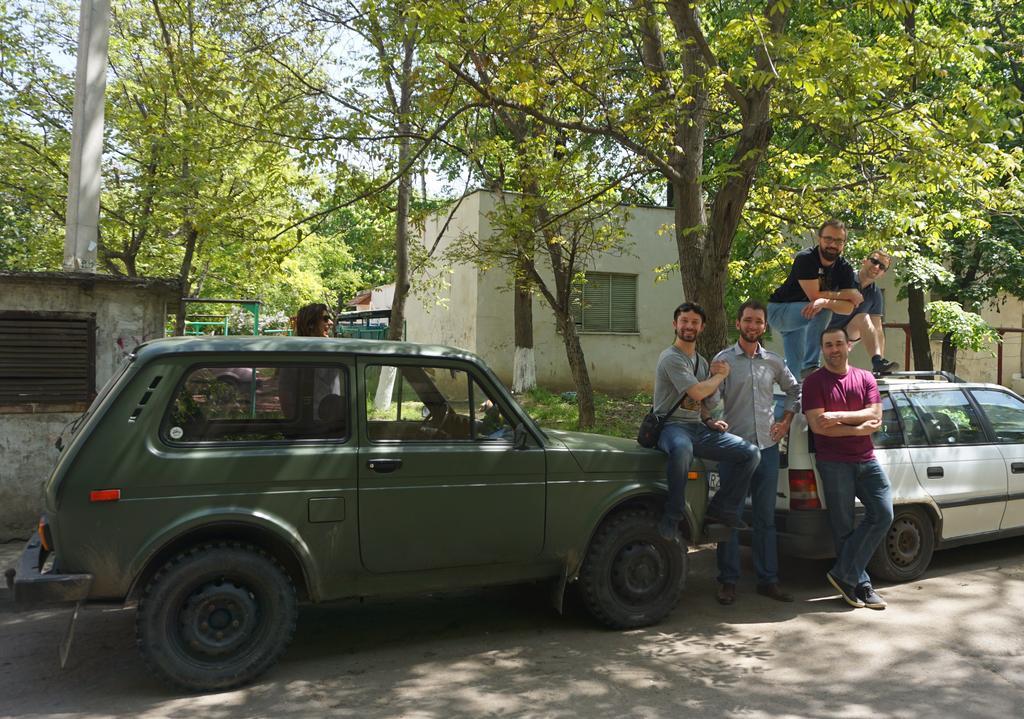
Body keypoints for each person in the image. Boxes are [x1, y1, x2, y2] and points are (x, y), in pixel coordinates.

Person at [711, 300, 801, 605]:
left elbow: (794, 390)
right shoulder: (723, 360)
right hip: (735, 451)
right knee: (730, 517)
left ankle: (768, 580)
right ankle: (728, 581)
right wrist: (711, 421)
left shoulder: (774, 362)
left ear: (765, 327)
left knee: (765, 518)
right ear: (738, 324)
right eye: (747, 320)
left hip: (767, 449)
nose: (753, 326)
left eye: (758, 321)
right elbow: (709, 398)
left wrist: (785, 421)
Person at [802, 327, 894, 610]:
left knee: (882, 513)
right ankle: (861, 585)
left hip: (866, 460)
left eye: (838, 343)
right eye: (828, 345)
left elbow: (875, 414)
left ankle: (844, 575)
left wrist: (839, 416)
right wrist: (859, 429)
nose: (834, 349)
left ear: (849, 346)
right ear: (822, 349)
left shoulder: (865, 378)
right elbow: (819, 427)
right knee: (842, 526)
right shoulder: (814, 382)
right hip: (833, 463)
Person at [654, 302, 760, 541]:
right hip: (671, 427)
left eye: (694, 322)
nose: (688, 326)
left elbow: (700, 404)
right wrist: (720, 376)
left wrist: (709, 419)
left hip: (697, 428)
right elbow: (697, 392)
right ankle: (673, 514)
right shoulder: (670, 358)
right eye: (684, 321)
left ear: (701, 328)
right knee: (682, 450)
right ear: (675, 324)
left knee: (751, 453)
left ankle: (722, 508)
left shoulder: (701, 362)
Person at [767, 220, 864, 379]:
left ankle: (792, 399)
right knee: (822, 309)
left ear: (844, 244)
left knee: (795, 374)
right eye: (828, 239)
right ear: (819, 239)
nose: (833, 244)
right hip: (780, 311)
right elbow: (815, 296)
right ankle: (811, 365)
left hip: (802, 316)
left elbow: (848, 309)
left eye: (839, 241)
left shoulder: (844, 267)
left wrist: (827, 301)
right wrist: (843, 296)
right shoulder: (806, 259)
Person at [827, 249, 899, 373]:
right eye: (874, 261)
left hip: (846, 335)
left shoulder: (875, 294)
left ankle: (877, 362)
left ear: (883, 274)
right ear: (864, 261)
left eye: (882, 267)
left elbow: (877, 329)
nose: (877, 267)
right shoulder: (844, 278)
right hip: (822, 330)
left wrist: (881, 360)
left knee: (863, 318)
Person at [280, 303, 341, 422]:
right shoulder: (294, 356)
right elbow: (286, 399)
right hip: (309, 430)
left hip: (334, 429)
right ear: (311, 324)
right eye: (325, 319)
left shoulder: (333, 353)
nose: (330, 323)